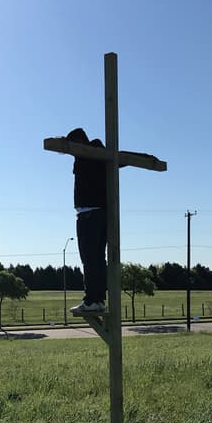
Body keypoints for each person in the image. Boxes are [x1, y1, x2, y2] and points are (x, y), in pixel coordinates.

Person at [67, 127, 126, 314]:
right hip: (101, 214)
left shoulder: (86, 156)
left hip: (89, 214)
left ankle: (92, 300)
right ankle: (98, 299)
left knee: (90, 259)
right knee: (99, 259)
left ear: (78, 144)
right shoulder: (101, 156)